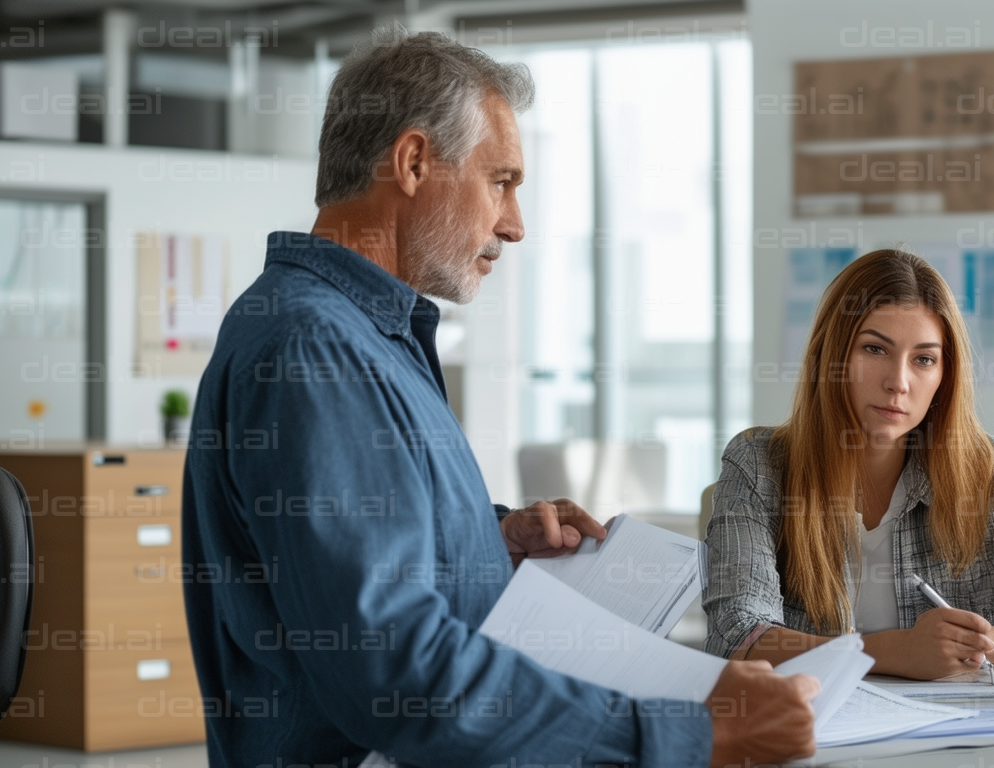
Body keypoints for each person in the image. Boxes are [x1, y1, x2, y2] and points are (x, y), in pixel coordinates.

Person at [182, 27, 818, 768]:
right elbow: (395, 674)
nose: (515, 225)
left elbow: (354, 550)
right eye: (502, 182)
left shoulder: (364, 336)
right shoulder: (315, 350)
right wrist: (691, 732)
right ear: (414, 161)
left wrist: (489, 540)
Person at [703, 249, 994, 680]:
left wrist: (976, 645)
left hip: (961, 736)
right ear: (831, 356)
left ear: (945, 375)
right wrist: (890, 651)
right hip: (813, 734)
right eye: (875, 349)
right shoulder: (759, 465)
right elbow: (738, 640)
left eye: (923, 359)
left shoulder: (989, 472)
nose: (898, 382)